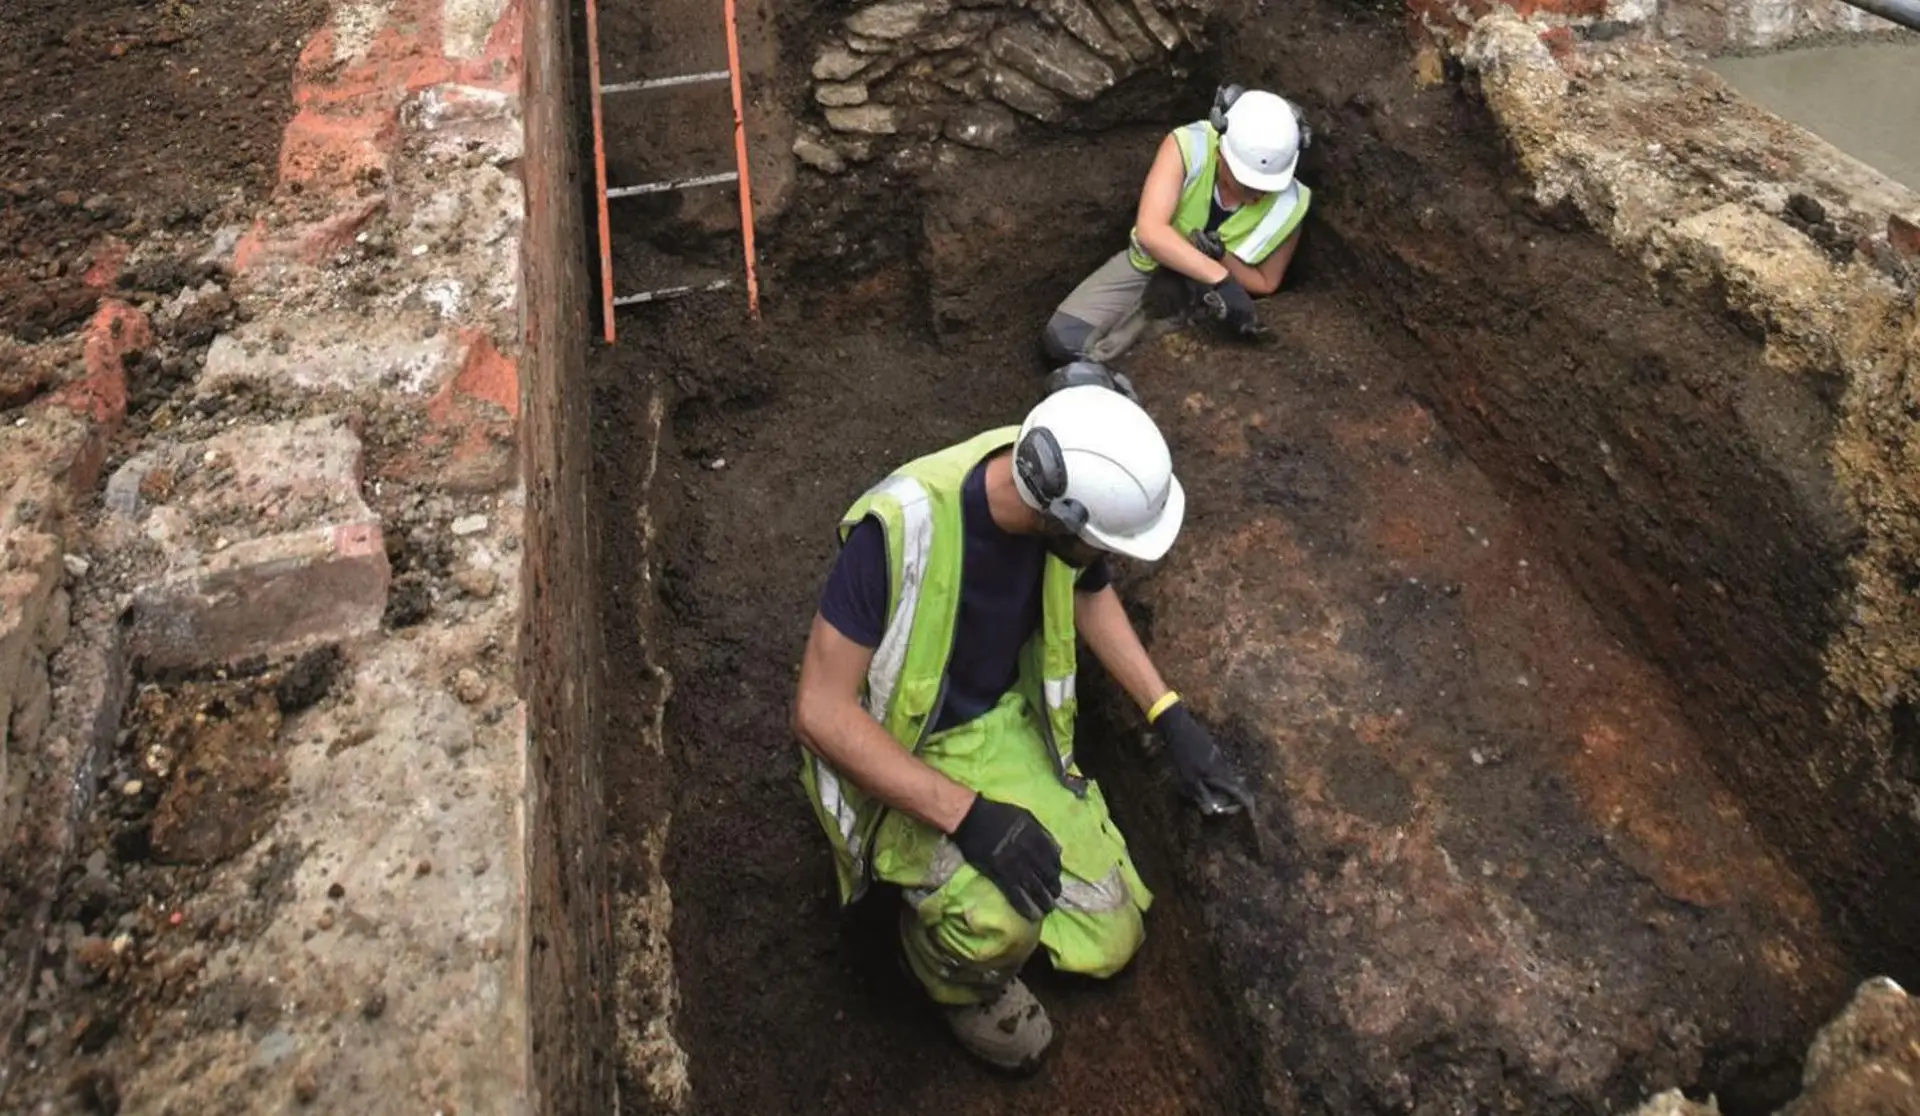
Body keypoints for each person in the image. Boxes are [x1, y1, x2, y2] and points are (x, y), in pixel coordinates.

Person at [790, 366, 1255, 1073]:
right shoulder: (901, 528)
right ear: (1063, 520)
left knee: (1110, 937)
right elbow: (819, 711)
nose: (1107, 561)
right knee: (995, 926)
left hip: (1000, 730)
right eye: (1102, 544)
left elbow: (1087, 591)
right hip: (899, 752)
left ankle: (977, 910)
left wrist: (1168, 716)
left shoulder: (1053, 465)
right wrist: (969, 816)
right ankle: (944, 974)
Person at [1041, 85, 1313, 365]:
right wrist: (1219, 278)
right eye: (1247, 185)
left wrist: (1223, 259)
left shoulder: (1291, 205)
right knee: (1064, 339)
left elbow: (1266, 282)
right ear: (1221, 153)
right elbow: (1151, 231)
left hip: (1200, 300)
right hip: (1147, 266)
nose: (1257, 196)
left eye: (1267, 187)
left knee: (1137, 360)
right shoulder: (1189, 146)